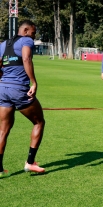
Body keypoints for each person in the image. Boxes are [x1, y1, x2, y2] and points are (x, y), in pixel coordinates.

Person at [0, 20, 46, 179]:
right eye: (33, 33)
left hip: (3, 89)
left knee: (3, 130)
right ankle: (30, 163)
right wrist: (34, 81)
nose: (34, 37)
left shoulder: (3, 44)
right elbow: (26, 58)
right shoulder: (26, 40)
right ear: (25, 31)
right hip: (18, 88)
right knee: (39, 122)